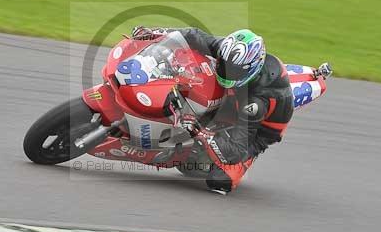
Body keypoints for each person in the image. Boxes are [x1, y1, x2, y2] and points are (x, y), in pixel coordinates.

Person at [131, 26, 331, 194]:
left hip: (255, 131)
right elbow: (193, 35)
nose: (226, 71)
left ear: (251, 69)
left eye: (233, 70)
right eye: (225, 65)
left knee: (220, 181)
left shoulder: (257, 101)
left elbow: (235, 150)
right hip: (236, 95)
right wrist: (157, 33)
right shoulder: (231, 55)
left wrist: (198, 131)